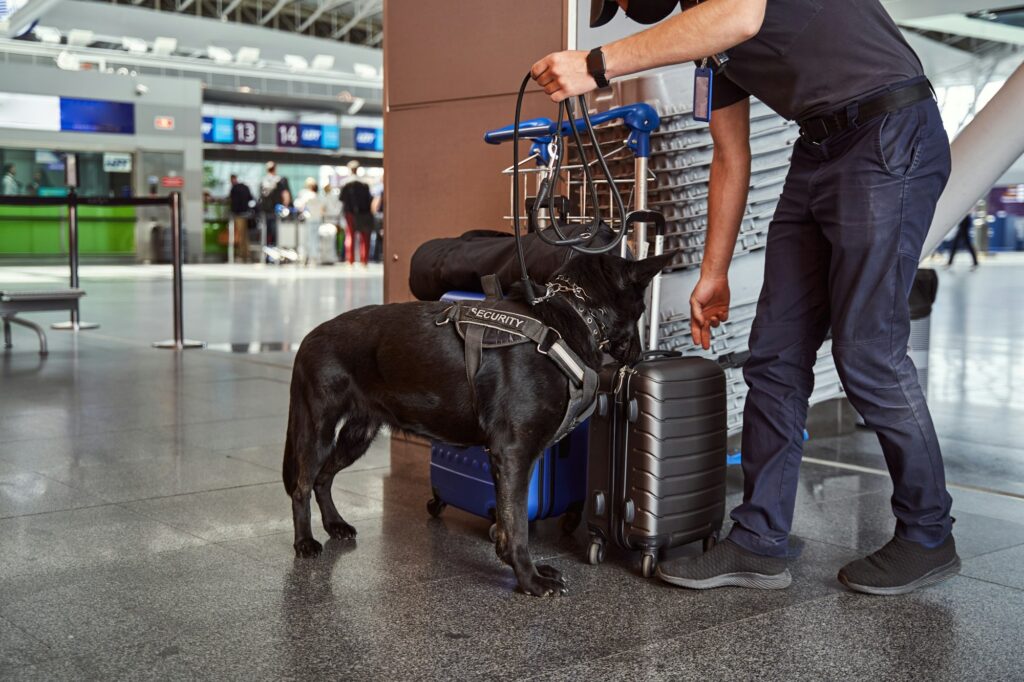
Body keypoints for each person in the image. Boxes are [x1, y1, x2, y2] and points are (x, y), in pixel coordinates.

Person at [533, 0, 958, 595]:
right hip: (819, 149)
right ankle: (760, 541)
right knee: (774, 356)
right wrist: (713, 274)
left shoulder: (724, 15)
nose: (627, 8)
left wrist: (597, 65)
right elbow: (731, 157)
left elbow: (741, 13)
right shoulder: (709, 42)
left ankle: (929, 534)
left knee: (868, 354)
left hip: (888, 132)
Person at [339, 166, 373, 265]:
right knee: (364, 237)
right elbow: (369, 200)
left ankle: (350, 260)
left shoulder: (346, 183)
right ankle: (364, 260)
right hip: (364, 213)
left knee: (350, 236)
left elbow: (341, 199)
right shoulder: (364, 184)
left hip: (350, 213)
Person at [259, 161, 291, 247]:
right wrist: (285, 208)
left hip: (265, 212)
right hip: (276, 211)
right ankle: (274, 254)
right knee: (275, 233)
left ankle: (266, 255)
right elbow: (286, 195)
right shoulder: (280, 180)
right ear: (275, 168)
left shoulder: (263, 181)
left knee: (266, 233)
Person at [294, 177, 324, 266]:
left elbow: (299, 205)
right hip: (317, 219)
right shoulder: (319, 196)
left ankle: (307, 257)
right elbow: (323, 209)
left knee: (307, 240)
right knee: (315, 239)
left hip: (309, 220)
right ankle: (315, 258)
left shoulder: (307, 195)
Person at [228, 174, 254, 263]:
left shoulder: (234, 189)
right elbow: (251, 198)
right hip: (246, 214)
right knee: (245, 235)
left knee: (241, 235)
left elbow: (233, 202)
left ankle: (242, 254)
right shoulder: (245, 187)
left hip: (239, 215)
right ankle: (246, 253)